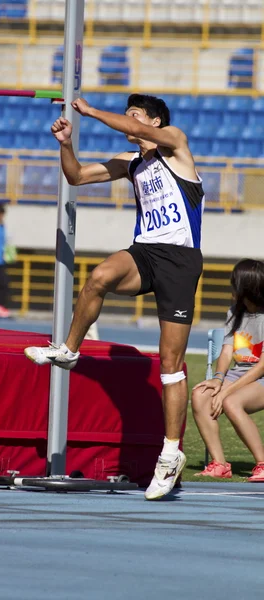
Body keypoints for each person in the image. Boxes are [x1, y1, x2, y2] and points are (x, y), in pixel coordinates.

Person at [24, 94, 205, 500]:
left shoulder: (174, 144)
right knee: (99, 277)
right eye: (125, 116)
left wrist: (89, 111)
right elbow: (76, 177)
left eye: (135, 115)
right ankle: (69, 350)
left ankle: (171, 453)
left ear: (156, 121)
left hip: (179, 259)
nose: (128, 122)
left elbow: (140, 132)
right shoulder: (132, 164)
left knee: (171, 364)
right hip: (145, 251)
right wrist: (67, 145)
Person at [192, 259, 264, 482]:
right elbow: (226, 352)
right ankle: (220, 464)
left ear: (246, 288)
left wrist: (224, 393)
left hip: (261, 375)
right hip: (240, 374)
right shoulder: (234, 312)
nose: (231, 287)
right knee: (200, 395)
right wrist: (218, 380)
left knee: (231, 402)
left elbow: (262, 365)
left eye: (234, 283)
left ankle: (262, 463)